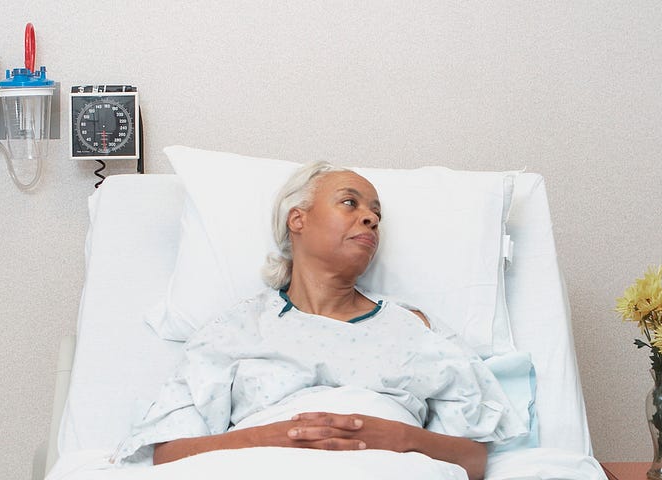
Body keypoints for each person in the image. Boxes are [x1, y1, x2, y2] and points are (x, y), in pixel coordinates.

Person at [112, 162, 521, 480]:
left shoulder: (413, 328)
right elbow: (167, 456)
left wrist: (401, 440)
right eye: (350, 203)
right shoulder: (236, 329)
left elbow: (472, 460)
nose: (370, 219)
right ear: (298, 219)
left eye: (376, 213)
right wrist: (264, 441)